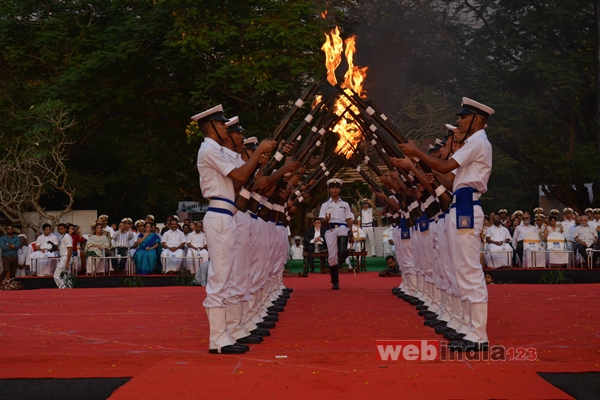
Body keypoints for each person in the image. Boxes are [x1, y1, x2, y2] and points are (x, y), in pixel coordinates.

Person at [399, 97, 495, 352]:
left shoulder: (477, 142)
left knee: (467, 270)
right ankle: (467, 326)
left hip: (466, 207)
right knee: (455, 269)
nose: (459, 121)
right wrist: (419, 162)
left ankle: (478, 333)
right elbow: (450, 181)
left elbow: (445, 165)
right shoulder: (474, 143)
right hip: (459, 206)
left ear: (478, 121)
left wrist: (417, 154)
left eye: (464, 117)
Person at [194, 104, 276, 355]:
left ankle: (227, 331)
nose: (227, 130)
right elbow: (240, 176)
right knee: (220, 279)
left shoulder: (216, 150)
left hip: (227, 215)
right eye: (222, 125)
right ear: (210, 127)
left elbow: (242, 182)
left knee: (229, 276)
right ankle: (218, 339)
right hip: (219, 216)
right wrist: (259, 150)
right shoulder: (208, 149)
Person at [319, 178, 354, 290]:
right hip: (330, 229)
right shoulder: (325, 205)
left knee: (343, 229)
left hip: (342, 226)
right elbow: (321, 220)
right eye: (332, 188)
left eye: (337, 188)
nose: (335, 190)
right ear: (329, 190)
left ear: (339, 189)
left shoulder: (345, 204)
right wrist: (326, 219)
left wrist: (352, 233)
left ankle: (343, 253)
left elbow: (348, 219)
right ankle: (335, 282)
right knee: (332, 257)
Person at [54, 223, 73, 288]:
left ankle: (63, 287)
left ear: (65, 229)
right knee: (66, 275)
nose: (60, 230)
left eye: (61, 229)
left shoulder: (67, 236)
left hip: (66, 257)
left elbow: (70, 249)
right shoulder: (62, 236)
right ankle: (69, 288)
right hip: (64, 257)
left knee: (56, 275)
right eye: (58, 229)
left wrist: (67, 262)